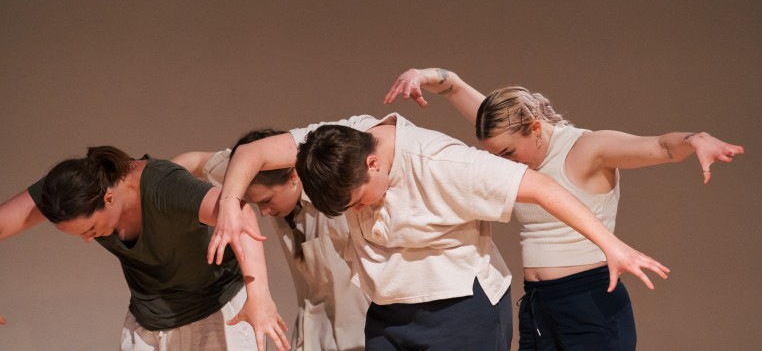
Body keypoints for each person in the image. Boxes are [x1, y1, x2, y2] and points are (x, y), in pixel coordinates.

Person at [208, 112, 670, 350]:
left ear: (374, 163)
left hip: (459, 310)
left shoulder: (444, 164)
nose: (360, 212)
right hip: (389, 311)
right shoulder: (338, 137)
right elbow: (250, 154)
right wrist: (230, 204)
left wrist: (610, 243)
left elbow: (543, 187)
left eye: (357, 201)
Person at [383, 67, 745, 350]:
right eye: (494, 156)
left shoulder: (588, 148)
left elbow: (663, 148)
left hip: (589, 302)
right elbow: (454, 86)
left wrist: (694, 140)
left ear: (536, 128)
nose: (503, 164)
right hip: (538, 305)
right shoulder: (506, 129)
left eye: (507, 154)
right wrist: (422, 76)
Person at [0, 146, 290, 351]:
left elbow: (240, 214)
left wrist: (259, 295)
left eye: (90, 229)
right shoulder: (67, 189)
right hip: (152, 322)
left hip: (217, 310)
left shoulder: (162, 186)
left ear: (109, 199)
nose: (88, 240)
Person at [171, 128, 371, 351]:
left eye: (266, 200)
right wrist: (151, 196)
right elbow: (192, 161)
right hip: (309, 334)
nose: (263, 212)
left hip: (358, 336)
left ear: (294, 176)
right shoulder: (249, 171)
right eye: (255, 204)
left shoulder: (334, 188)